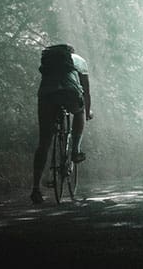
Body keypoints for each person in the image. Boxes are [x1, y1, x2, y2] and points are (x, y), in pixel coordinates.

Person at [31, 44, 93, 204]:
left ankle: (35, 188)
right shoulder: (79, 60)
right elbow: (86, 89)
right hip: (69, 93)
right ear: (70, 52)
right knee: (79, 112)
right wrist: (88, 110)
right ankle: (75, 150)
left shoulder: (48, 63)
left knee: (44, 142)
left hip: (46, 96)